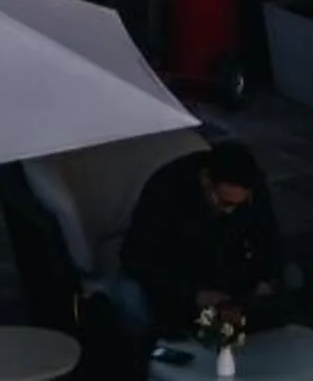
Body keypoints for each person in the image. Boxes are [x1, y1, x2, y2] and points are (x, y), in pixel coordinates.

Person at [113, 140, 284, 363]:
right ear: (206, 181)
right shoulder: (167, 188)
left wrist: (265, 278)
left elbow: (268, 236)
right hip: (169, 274)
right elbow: (135, 256)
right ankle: (144, 361)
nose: (230, 211)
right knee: (129, 299)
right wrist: (192, 295)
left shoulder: (252, 190)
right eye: (224, 202)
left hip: (219, 272)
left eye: (238, 205)